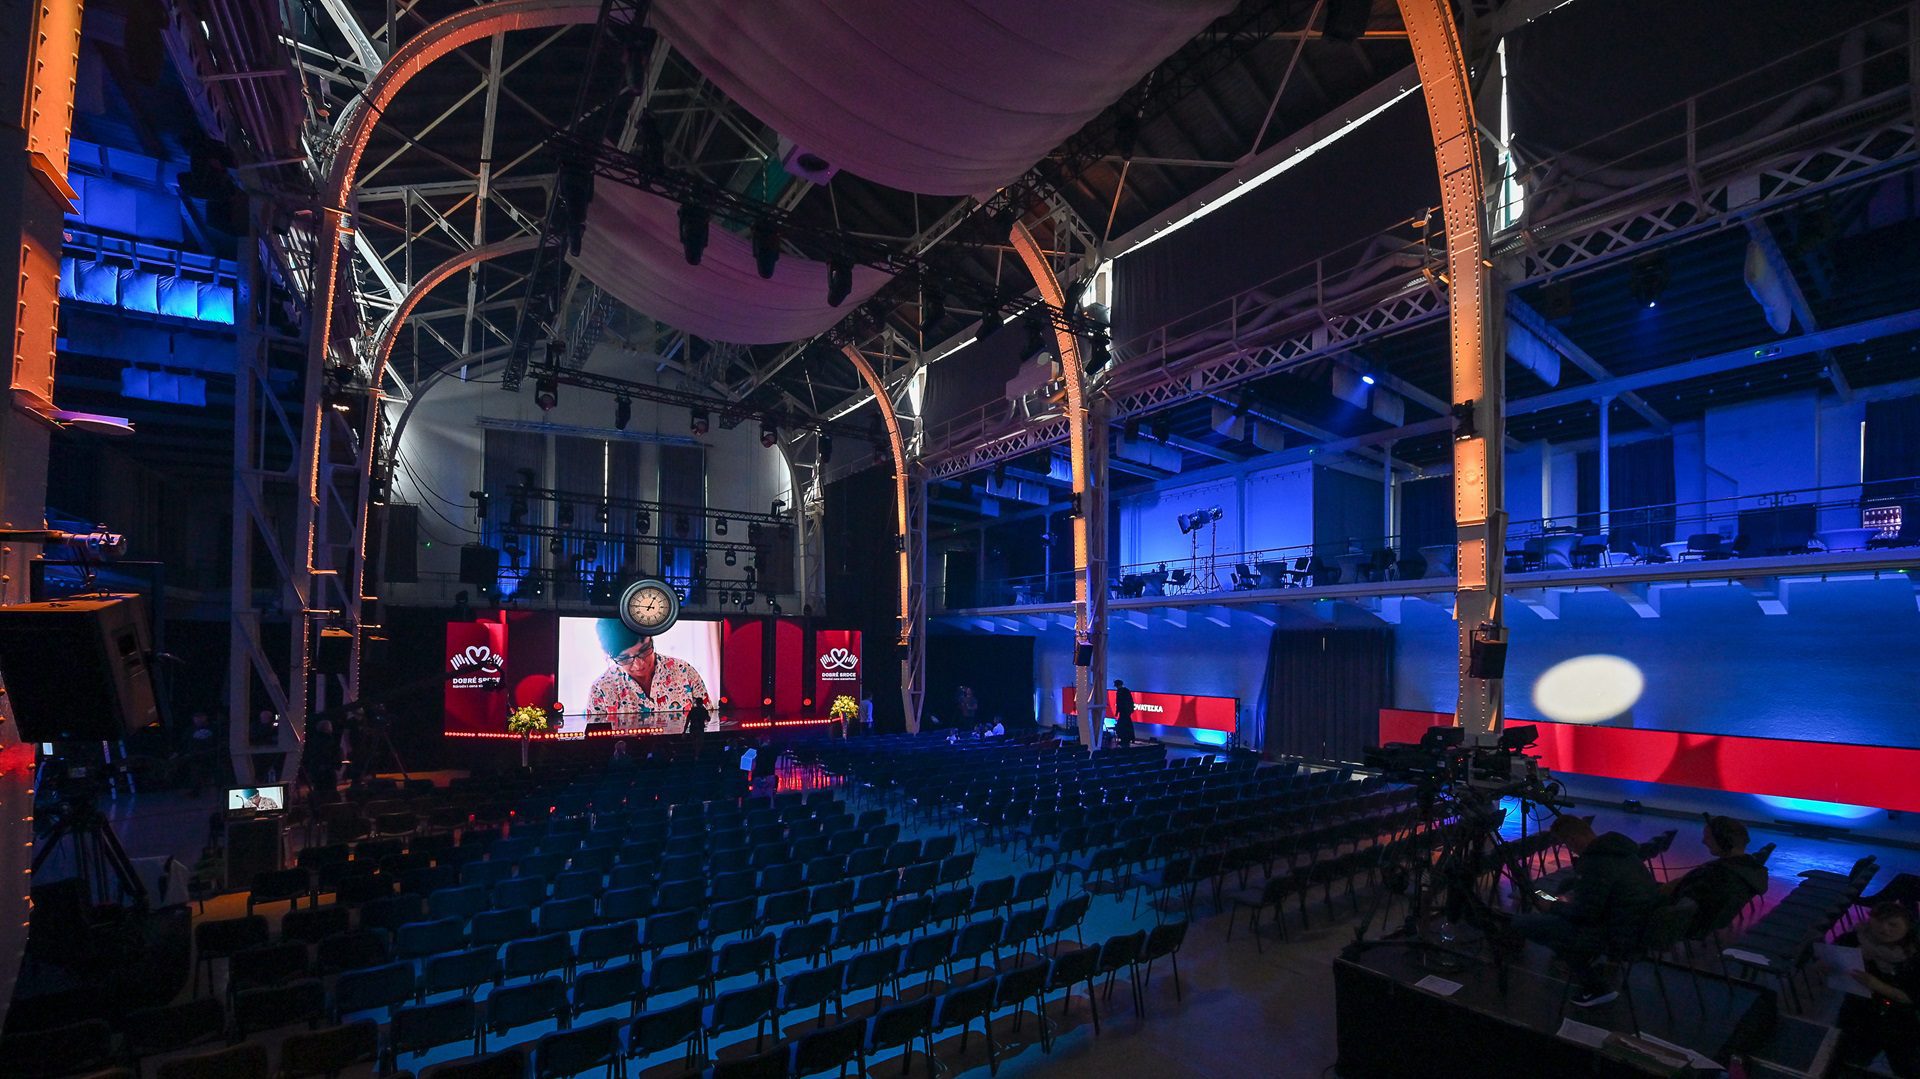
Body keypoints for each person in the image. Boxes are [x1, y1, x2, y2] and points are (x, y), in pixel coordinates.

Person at [1511, 815, 1663, 1007]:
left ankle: (1595, 985)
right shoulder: (1621, 852)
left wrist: (1552, 905)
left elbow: (1585, 914)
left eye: (1566, 844)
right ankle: (1578, 960)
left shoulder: (1595, 862)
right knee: (1552, 912)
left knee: (1522, 923)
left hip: (1614, 933)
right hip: (1632, 925)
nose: (1569, 848)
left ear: (1572, 840)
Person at [1831, 901, 1920, 1077]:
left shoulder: (1915, 954)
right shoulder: (1852, 940)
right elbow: (1828, 962)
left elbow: (1912, 997)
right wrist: (1826, 966)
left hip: (1902, 1025)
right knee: (1844, 1064)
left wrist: (1875, 985)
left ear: (1908, 926)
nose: (1884, 929)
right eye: (1878, 921)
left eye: (1893, 924)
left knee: (1907, 1069)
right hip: (1857, 1017)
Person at [587, 620, 709, 731]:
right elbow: (598, 743)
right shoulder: (601, 690)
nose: (639, 664)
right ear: (609, 656)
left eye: (644, 650)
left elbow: (709, 722)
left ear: (651, 639)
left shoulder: (684, 671)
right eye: (624, 659)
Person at [1662, 816, 1768, 935]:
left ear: (1724, 842)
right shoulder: (1749, 870)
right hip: (1706, 922)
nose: (1703, 841)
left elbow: (1675, 898)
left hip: (1681, 924)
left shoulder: (1715, 874)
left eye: (1708, 837)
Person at [185, 710, 217, 797]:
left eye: (200, 717)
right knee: (195, 771)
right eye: (196, 717)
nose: (198, 719)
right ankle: (195, 791)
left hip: (212, 754)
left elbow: (218, 741)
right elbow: (188, 743)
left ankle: (218, 789)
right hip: (196, 756)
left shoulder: (214, 728)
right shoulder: (190, 730)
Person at [1113, 679, 1136, 746]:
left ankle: (1125, 738)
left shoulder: (1121, 692)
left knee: (1123, 725)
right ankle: (1127, 738)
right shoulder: (1125, 691)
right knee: (1126, 725)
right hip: (1126, 711)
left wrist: (1118, 711)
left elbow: (1120, 703)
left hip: (1124, 711)